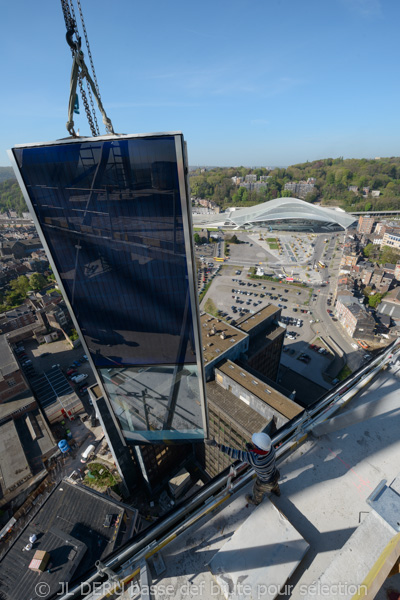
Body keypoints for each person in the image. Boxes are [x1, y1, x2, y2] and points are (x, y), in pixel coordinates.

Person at [206, 432, 280, 505]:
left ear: (258, 448)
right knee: (275, 484)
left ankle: (256, 501)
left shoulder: (254, 459)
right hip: (275, 474)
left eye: (254, 444)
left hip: (265, 482)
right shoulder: (271, 449)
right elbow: (261, 453)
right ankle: (277, 492)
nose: (252, 443)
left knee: (257, 491)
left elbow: (235, 453)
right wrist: (252, 450)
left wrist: (217, 445)